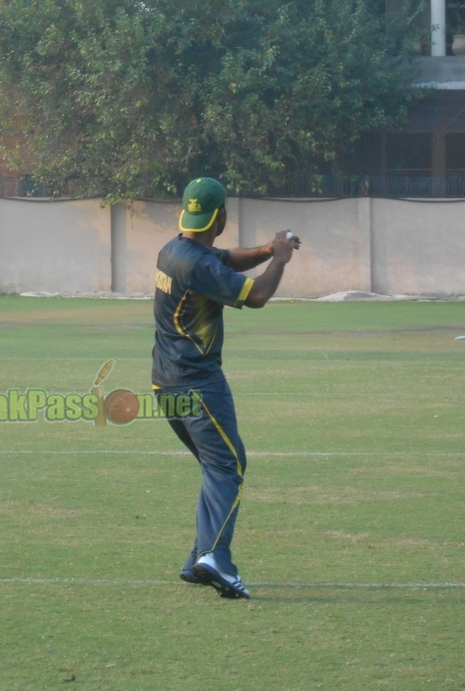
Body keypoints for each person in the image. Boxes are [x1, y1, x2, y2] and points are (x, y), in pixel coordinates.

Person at [152, 177, 300, 599]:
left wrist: (267, 249)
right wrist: (282, 259)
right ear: (221, 216)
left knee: (218, 467)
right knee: (226, 467)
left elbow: (224, 260)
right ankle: (215, 557)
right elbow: (255, 296)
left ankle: (200, 557)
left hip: (166, 383)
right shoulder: (196, 264)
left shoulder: (175, 250)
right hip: (199, 383)